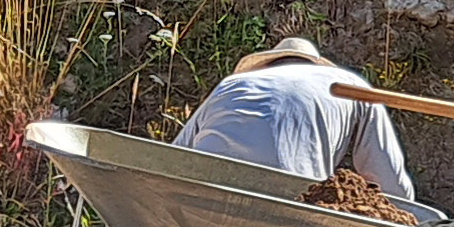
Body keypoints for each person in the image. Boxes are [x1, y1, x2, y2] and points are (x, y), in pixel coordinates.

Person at [173, 32, 414, 211]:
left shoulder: (233, 85)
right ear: (313, 64)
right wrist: (407, 222)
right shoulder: (350, 85)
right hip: (294, 203)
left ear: (267, 66)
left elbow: (171, 160)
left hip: (206, 195)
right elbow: (389, 180)